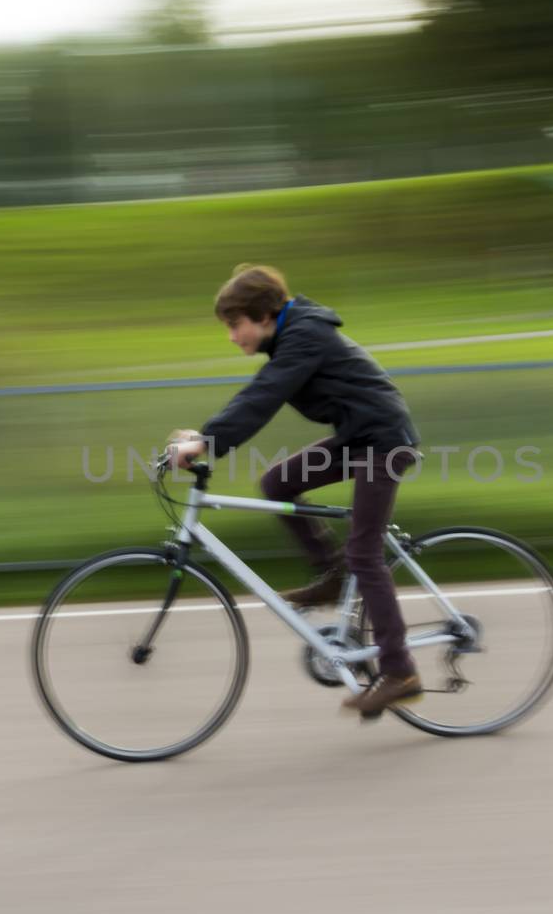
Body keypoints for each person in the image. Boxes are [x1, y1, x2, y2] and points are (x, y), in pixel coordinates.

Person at [169, 263, 423, 719]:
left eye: (234, 325)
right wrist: (204, 435)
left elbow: (264, 395)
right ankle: (332, 574)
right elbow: (258, 393)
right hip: (358, 437)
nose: (231, 336)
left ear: (263, 315)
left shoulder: (305, 336)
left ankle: (400, 671)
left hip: (383, 442)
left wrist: (208, 441)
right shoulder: (292, 336)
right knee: (277, 483)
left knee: (365, 553)